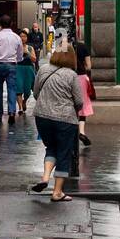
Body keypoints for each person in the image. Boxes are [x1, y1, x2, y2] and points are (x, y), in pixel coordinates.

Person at [31, 46, 84, 202]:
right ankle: (57, 192)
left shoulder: (44, 69)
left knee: (51, 147)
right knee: (64, 154)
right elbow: (79, 101)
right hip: (65, 119)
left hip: (42, 117)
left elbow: (35, 93)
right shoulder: (71, 75)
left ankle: (45, 178)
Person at [0, 16, 23, 125]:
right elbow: (20, 53)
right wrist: (17, 60)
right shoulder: (16, 37)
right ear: (11, 23)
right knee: (12, 89)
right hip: (12, 65)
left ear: (0, 24)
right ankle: (11, 112)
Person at [75, 40, 94, 146]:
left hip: (67, 76)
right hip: (82, 77)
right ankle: (81, 132)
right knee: (83, 104)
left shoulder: (64, 45)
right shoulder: (83, 47)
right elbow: (89, 66)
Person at [16, 30, 37, 113]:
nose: (22, 38)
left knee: (27, 91)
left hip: (28, 70)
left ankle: (24, 102)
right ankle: (20, 107)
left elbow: (34, 59)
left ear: (27, 38)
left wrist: (27, 52)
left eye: (24, 36)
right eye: (21, 36)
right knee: (18, 89)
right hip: (18, 69)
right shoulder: (15, 47)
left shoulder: (30, 48)